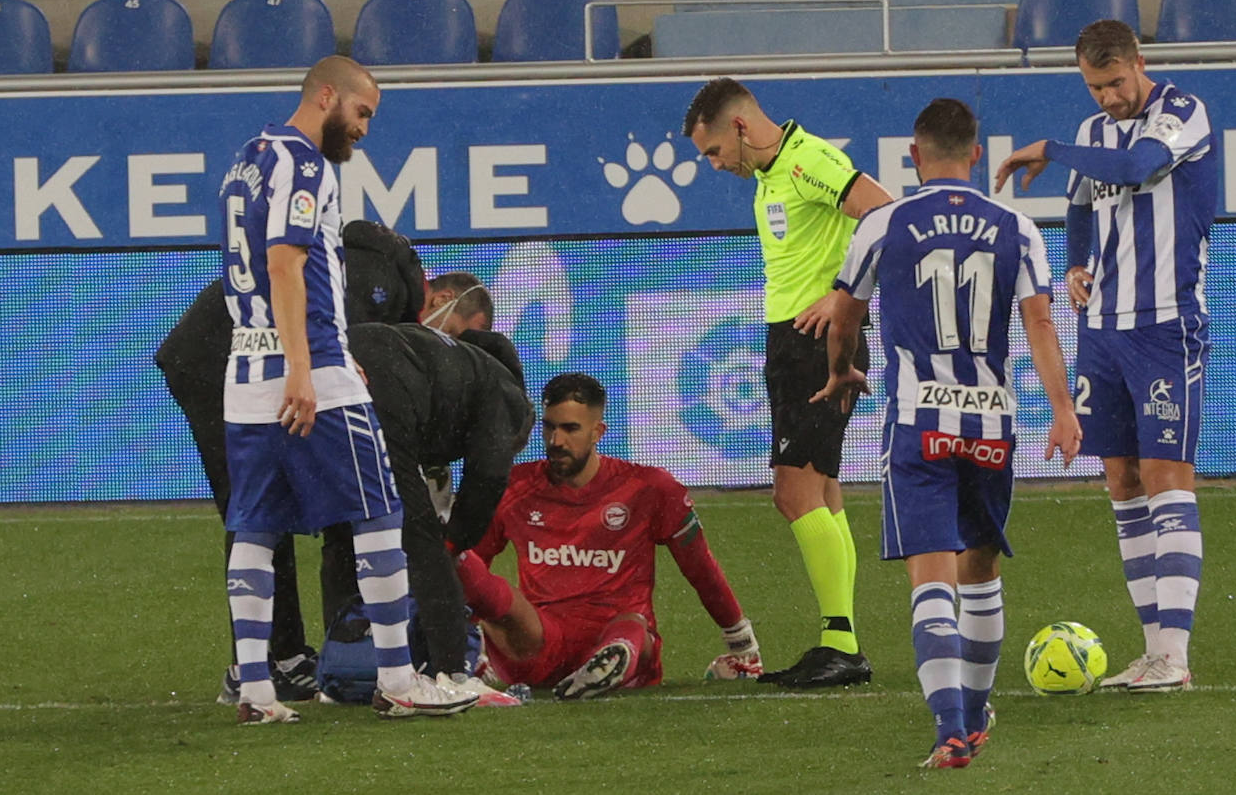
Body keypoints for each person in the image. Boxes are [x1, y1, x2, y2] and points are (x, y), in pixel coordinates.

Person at [813, 98, 1082, 768]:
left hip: (919, 421)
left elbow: (844, 315)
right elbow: (1041, 324)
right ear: (977, 154)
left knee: (932, 580)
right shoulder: (1018, 226)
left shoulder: (883, 222)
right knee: (981, 569)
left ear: (914, 156)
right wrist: (1063, 409)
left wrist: (842, 370)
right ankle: (978, 712)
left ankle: (951, 730)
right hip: (991, 421)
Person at [217, 55, 475, 723]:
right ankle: (398, 679)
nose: (363, 128)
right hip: (307, 371)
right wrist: (306, 365)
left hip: (245, 370)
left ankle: (256, 690)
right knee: (380, 513)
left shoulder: (247, 158)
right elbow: (285, 264)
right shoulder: (304, 163)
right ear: (326, 96)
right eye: (361, 112)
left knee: (255, 525)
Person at [993, 19, 1214, 693]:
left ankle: (1174, 656)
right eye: (1095, 87)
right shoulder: (1092, 131)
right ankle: (1150, 651)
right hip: (1102, 330)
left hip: (1165, 325)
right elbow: (1082, 201)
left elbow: (1136, 168)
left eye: (1116, 83)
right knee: (1121, 479)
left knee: (1166, 475)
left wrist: (1051, 148)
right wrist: (1075, 262)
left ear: (1139, 61)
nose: (1108, 98)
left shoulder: (1182, 112)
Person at [156, 218, 428, 706]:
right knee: (263, 511)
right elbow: (346, 354)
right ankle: (277, 661)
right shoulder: (374, 277)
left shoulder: (346, 259)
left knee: (262, 513)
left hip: (232, 361)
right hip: (232, 366)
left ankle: (271, 664)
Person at [683, 77, 892, 688]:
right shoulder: (773, 173)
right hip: (797, 343)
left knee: (794, 494)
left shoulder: (808, 162)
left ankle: (842, 643)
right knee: (822, 492)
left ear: (740, 127)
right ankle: (841, 641)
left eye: (714, 151)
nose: (714, 165)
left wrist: (843, 295)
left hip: (814, 345)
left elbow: (884, 212)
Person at [454, 373, 764, 700]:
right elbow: (472, 570)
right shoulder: (512, 487)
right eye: (549, 427)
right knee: (486, 580)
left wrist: (741, 641)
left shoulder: (649, 489)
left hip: (617, 632)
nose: (556, 441)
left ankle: (611, 660)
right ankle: (606, 664)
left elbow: (700, 568)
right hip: (542, 643)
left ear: (598, 432)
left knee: (631, 626)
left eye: (570, 429)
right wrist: (469, 637)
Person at [320, 321, 535, 706]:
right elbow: (488, 475)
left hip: (330, 365)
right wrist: (455, 540)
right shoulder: (505, 392)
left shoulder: (449, 360)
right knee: (423, 540)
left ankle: (344, 663)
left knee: (344, 529)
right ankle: (454, 674)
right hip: (381, 381)